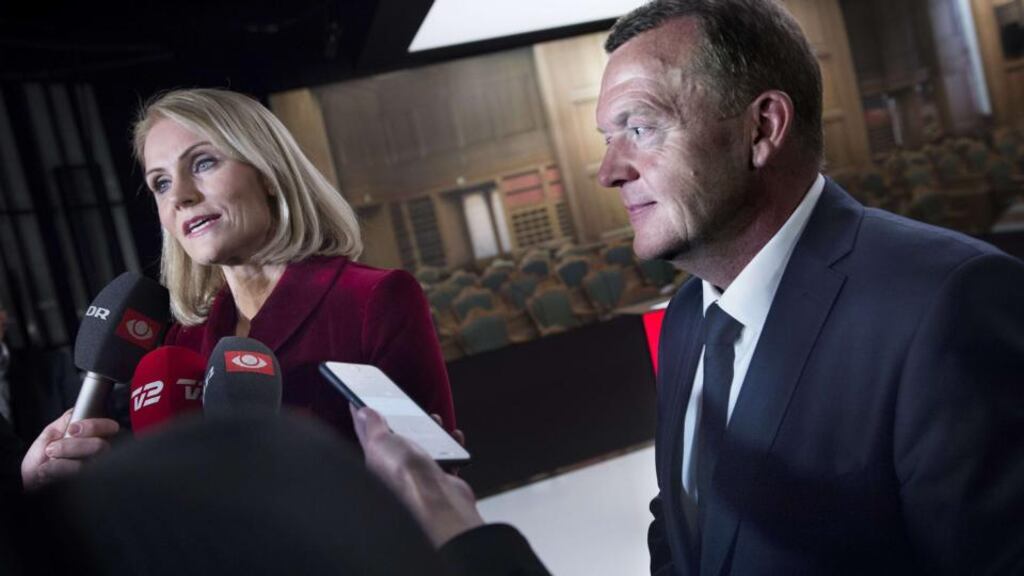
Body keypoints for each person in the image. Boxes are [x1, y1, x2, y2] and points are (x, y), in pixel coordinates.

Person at [360, 1, 1024, 574]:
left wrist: (468, 548)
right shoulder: (684, 318)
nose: (607, 171)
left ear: (761, 129)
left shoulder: (946, 306)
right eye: (607, 137)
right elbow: (684, 534)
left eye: (640, 128)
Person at [134, 88, 455, 438]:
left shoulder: (374, 300)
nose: (180, 195)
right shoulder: (184, 344)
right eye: (161, 183)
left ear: (268, 173)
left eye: (203, 162)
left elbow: (428, 477)